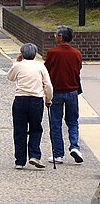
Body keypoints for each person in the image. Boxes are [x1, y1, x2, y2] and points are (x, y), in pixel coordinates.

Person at [7, 43, 53, 169]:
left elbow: (10, 77)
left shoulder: (18, 66)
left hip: (20, 100)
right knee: (36, 128)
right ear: (35, 54)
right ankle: (34, 155)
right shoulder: (40, 66)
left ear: (22, 54)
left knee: (19, 130)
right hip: (36, 100)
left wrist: (16, 62)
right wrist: (48, 99)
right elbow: (48, 85)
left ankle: (20, 161)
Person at [44, 25, 84, 165]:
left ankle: (58, 154)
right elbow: (78, 69)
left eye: (56, 35)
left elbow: (46, 70)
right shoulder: (77, 53)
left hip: (57, 92)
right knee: (73, 121)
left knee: (56, 123)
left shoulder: (53, 53)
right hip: (73, 91)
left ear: (61, 37)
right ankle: (74, 146)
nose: (55, 37)